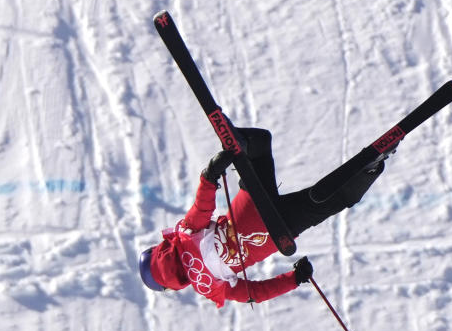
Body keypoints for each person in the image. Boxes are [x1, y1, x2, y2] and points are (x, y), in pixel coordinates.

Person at [138, 128, 385, 307]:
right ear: (159, 250)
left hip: (274, 234)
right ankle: (245, 142)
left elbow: (255, 292)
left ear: (171, 285)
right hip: (251, 206)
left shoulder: (211, 288)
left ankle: (370, 168)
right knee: (260, 144)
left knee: (330, 202)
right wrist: (210, 175)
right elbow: (202, 208)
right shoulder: (183, 236)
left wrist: (294, 279)